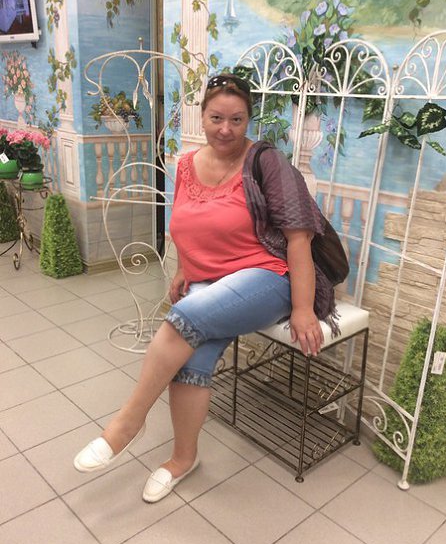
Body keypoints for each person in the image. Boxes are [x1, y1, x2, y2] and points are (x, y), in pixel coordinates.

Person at [73, 73, 338, 503]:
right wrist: (184, 268)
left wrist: (304, 308)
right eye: (217, 118)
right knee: (190, 360)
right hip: (209, 280)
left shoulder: (268, 162)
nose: (226, 129)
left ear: (249, 119)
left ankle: (127, 423)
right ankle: (183, 459)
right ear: (203, 116)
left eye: (237, 119)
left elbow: (298, 239)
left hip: (267, 278)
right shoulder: (186, 165)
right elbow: (188, 224)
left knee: (182, 319)